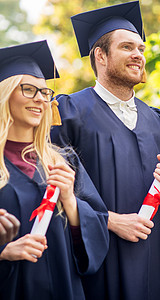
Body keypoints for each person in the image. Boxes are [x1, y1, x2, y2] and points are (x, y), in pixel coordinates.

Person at [50, 2, 160, 299]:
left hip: (154, 259)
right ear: (101, 55)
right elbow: (53, 188)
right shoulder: (68, 112)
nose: (138, 55)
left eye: (141, 49)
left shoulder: (157, 121)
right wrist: (108, 220)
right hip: (99, 256)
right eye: (127, 47)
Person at [0, 40, 108, 299]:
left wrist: (70, 201)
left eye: (45, 92)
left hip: (65, 289)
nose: (40, 98)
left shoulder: (63, 161)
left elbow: (97, 234)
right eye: (28, 89)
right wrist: (3, 252)